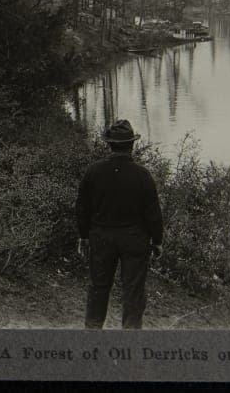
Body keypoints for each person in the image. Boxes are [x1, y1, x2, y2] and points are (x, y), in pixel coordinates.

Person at [75, 119, 163, 329]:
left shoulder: (93, 171)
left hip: (101, 238)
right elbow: (153, 214)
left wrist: (83, 236)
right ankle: (130, 339)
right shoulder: (143, 175)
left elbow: (82, 208)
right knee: (133, 290)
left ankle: (92, 332)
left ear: (109, 144)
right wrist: (158, 240)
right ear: (132, 145)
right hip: (134, 240)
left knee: (98, 286)